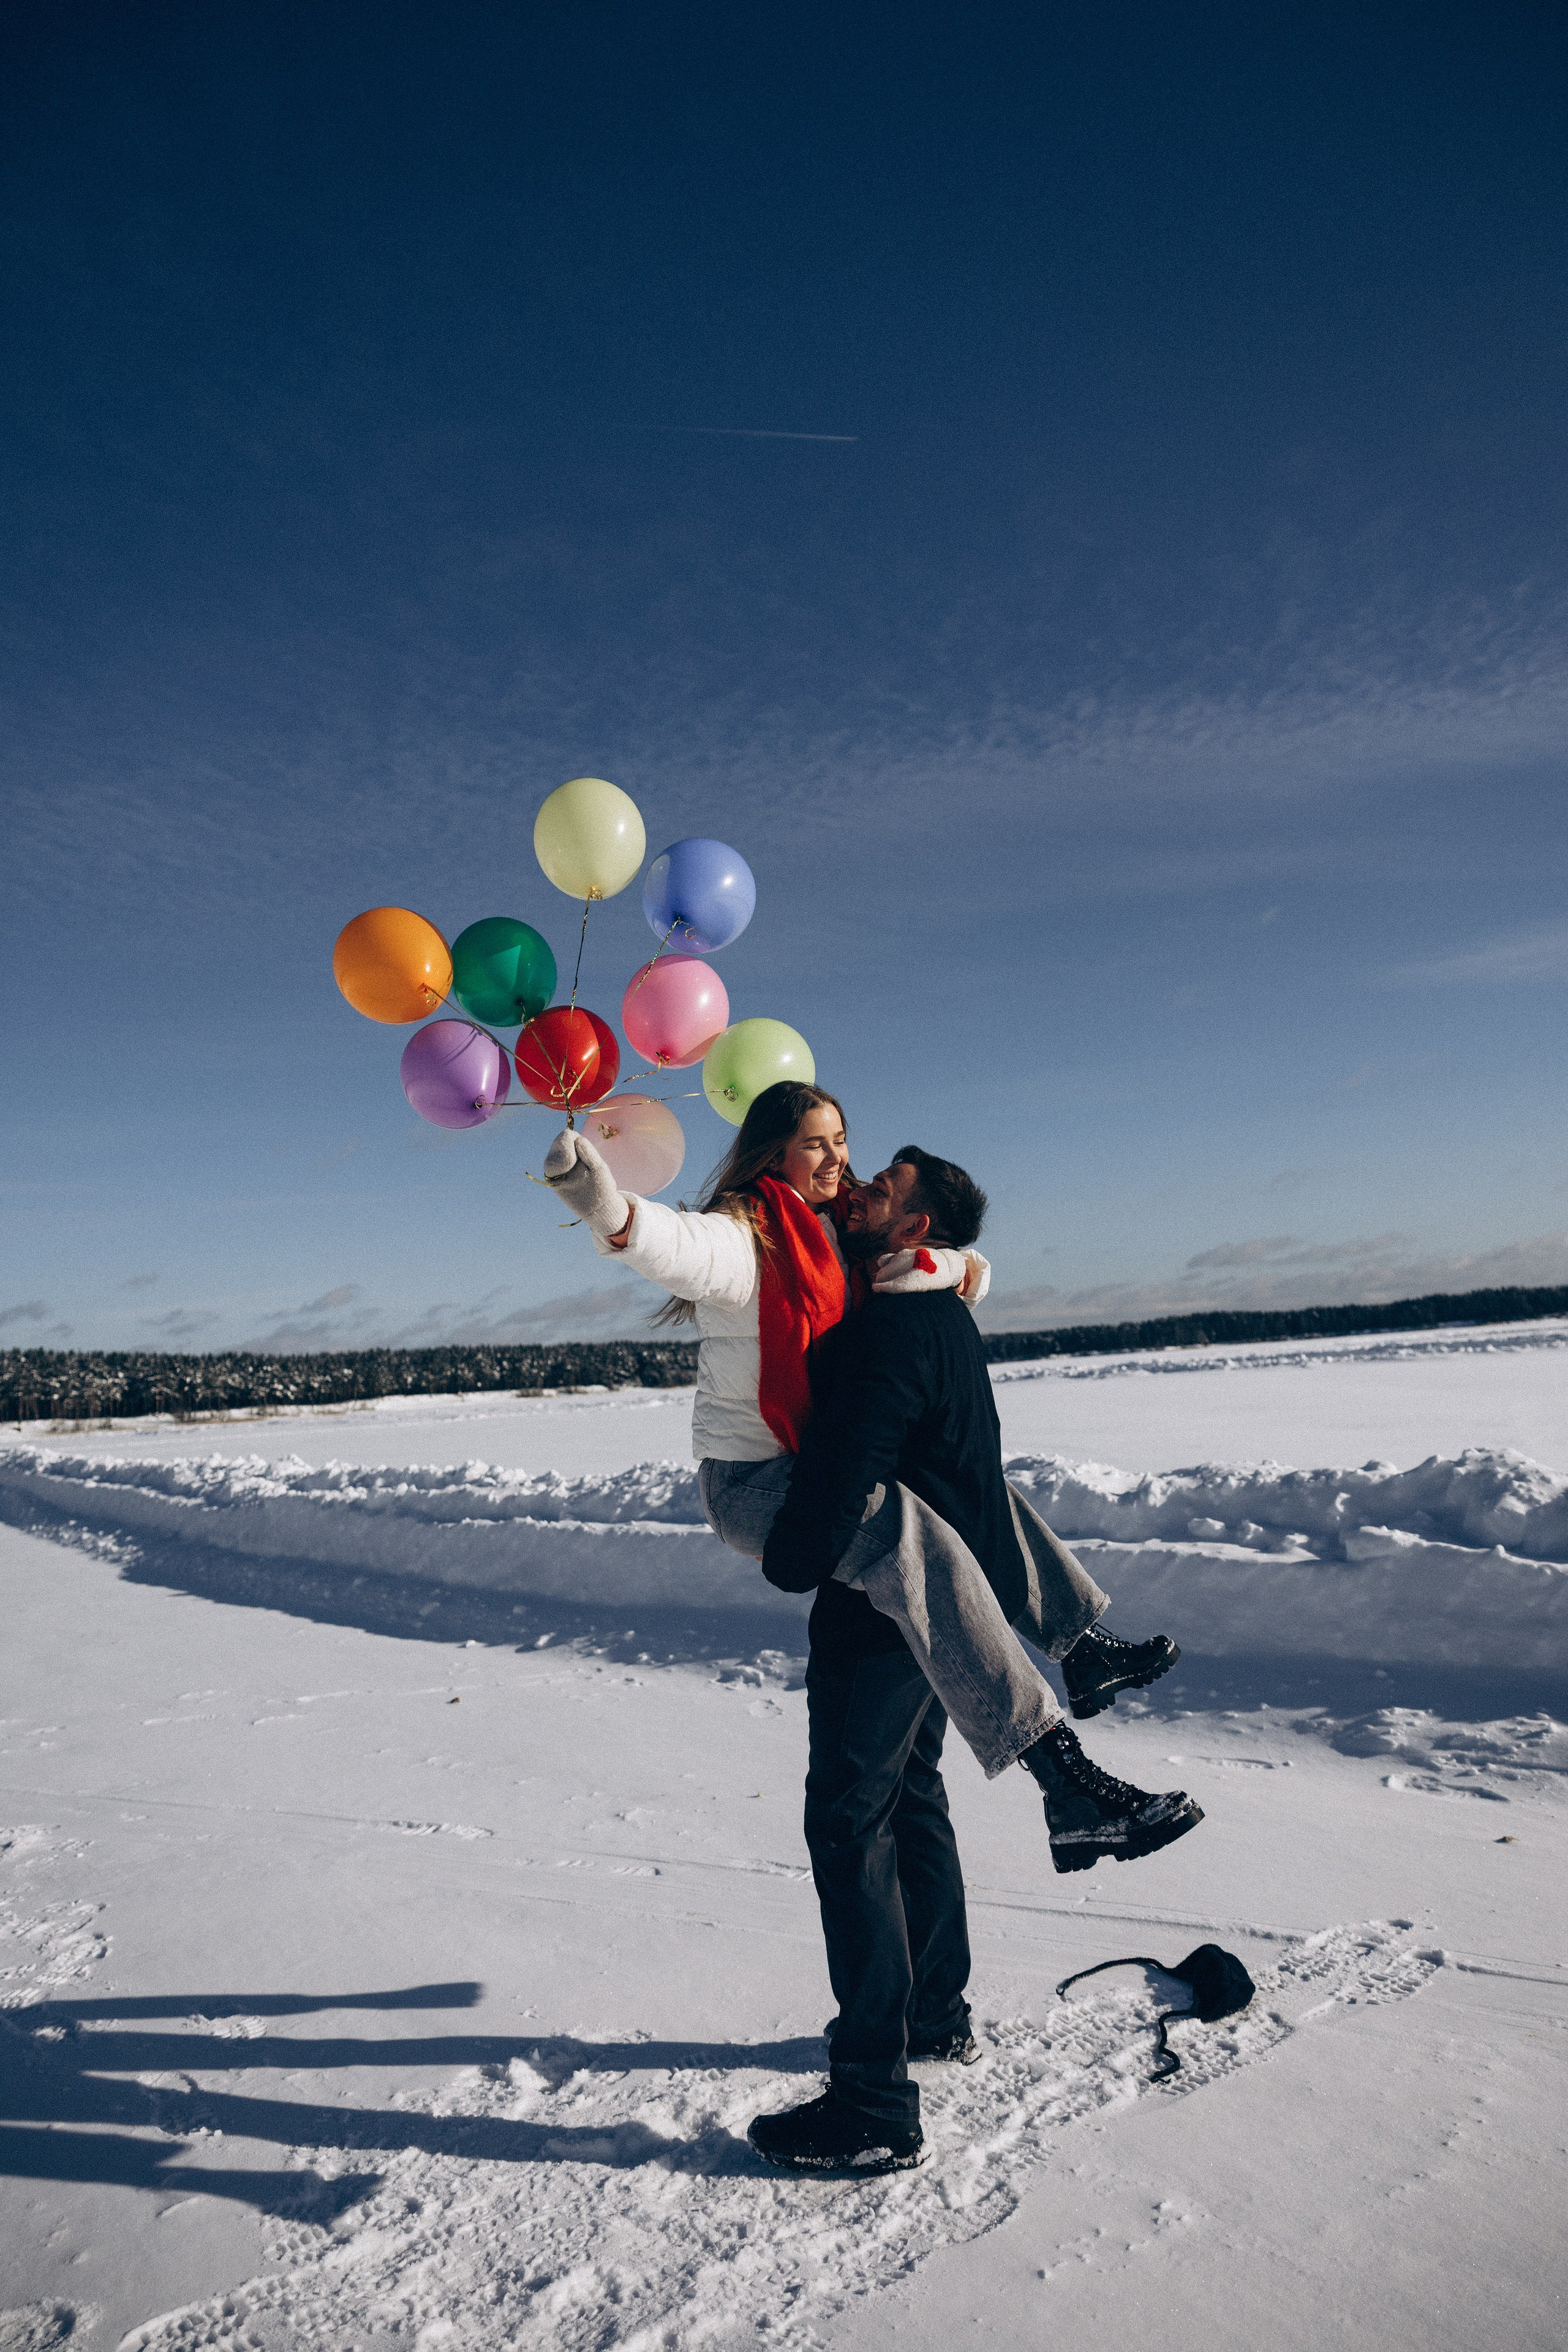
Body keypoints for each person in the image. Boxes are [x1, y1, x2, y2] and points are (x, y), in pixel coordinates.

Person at [744, 1144, 1204, 2177]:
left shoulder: (894, 1332)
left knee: (848, 1816)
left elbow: (849, 1470)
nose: (856, 1190)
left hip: (886, 1609)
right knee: (909, 1795)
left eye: (882, 1189)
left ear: (912, 1232)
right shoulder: (938, 1308)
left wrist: (789, 1555)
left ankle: (871, 2100)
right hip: (938, 1603)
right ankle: (935, 2016)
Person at [543, 1084, 1181, 1773]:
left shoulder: (841, 1228)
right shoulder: (748, 1235)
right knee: (916, 1538)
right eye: (814, 1143)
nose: (835, 1157)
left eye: (840, 1139)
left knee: (975, 1484)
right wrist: (608, 1210)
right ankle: (1052, 1764)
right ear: (774, 1153)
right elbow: (678, 1245)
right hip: (755, 1481)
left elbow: (918, 1242)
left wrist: (962, 1263)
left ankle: (1081, 1645)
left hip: (817, 1463)